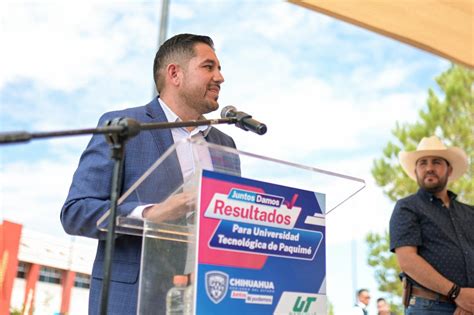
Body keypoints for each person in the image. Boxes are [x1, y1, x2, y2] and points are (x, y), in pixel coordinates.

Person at [61, 33, 238, 315]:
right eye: (209, 67)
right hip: (131, 301)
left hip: (207, 299)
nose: (220, 77)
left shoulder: (225, 145)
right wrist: (149, 214)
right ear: (174, 73)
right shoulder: (125, 127)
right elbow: (76, 211)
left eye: (219, 68)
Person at [390, 136, 474, 314]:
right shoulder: (407, 207)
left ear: (449, 170)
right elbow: (408, 261)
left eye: (436, 162)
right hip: (429, 307)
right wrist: (457, 294)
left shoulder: (470, 213)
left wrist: (469, 302)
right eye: (423, 163)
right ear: (416, 171)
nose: (429, 168)